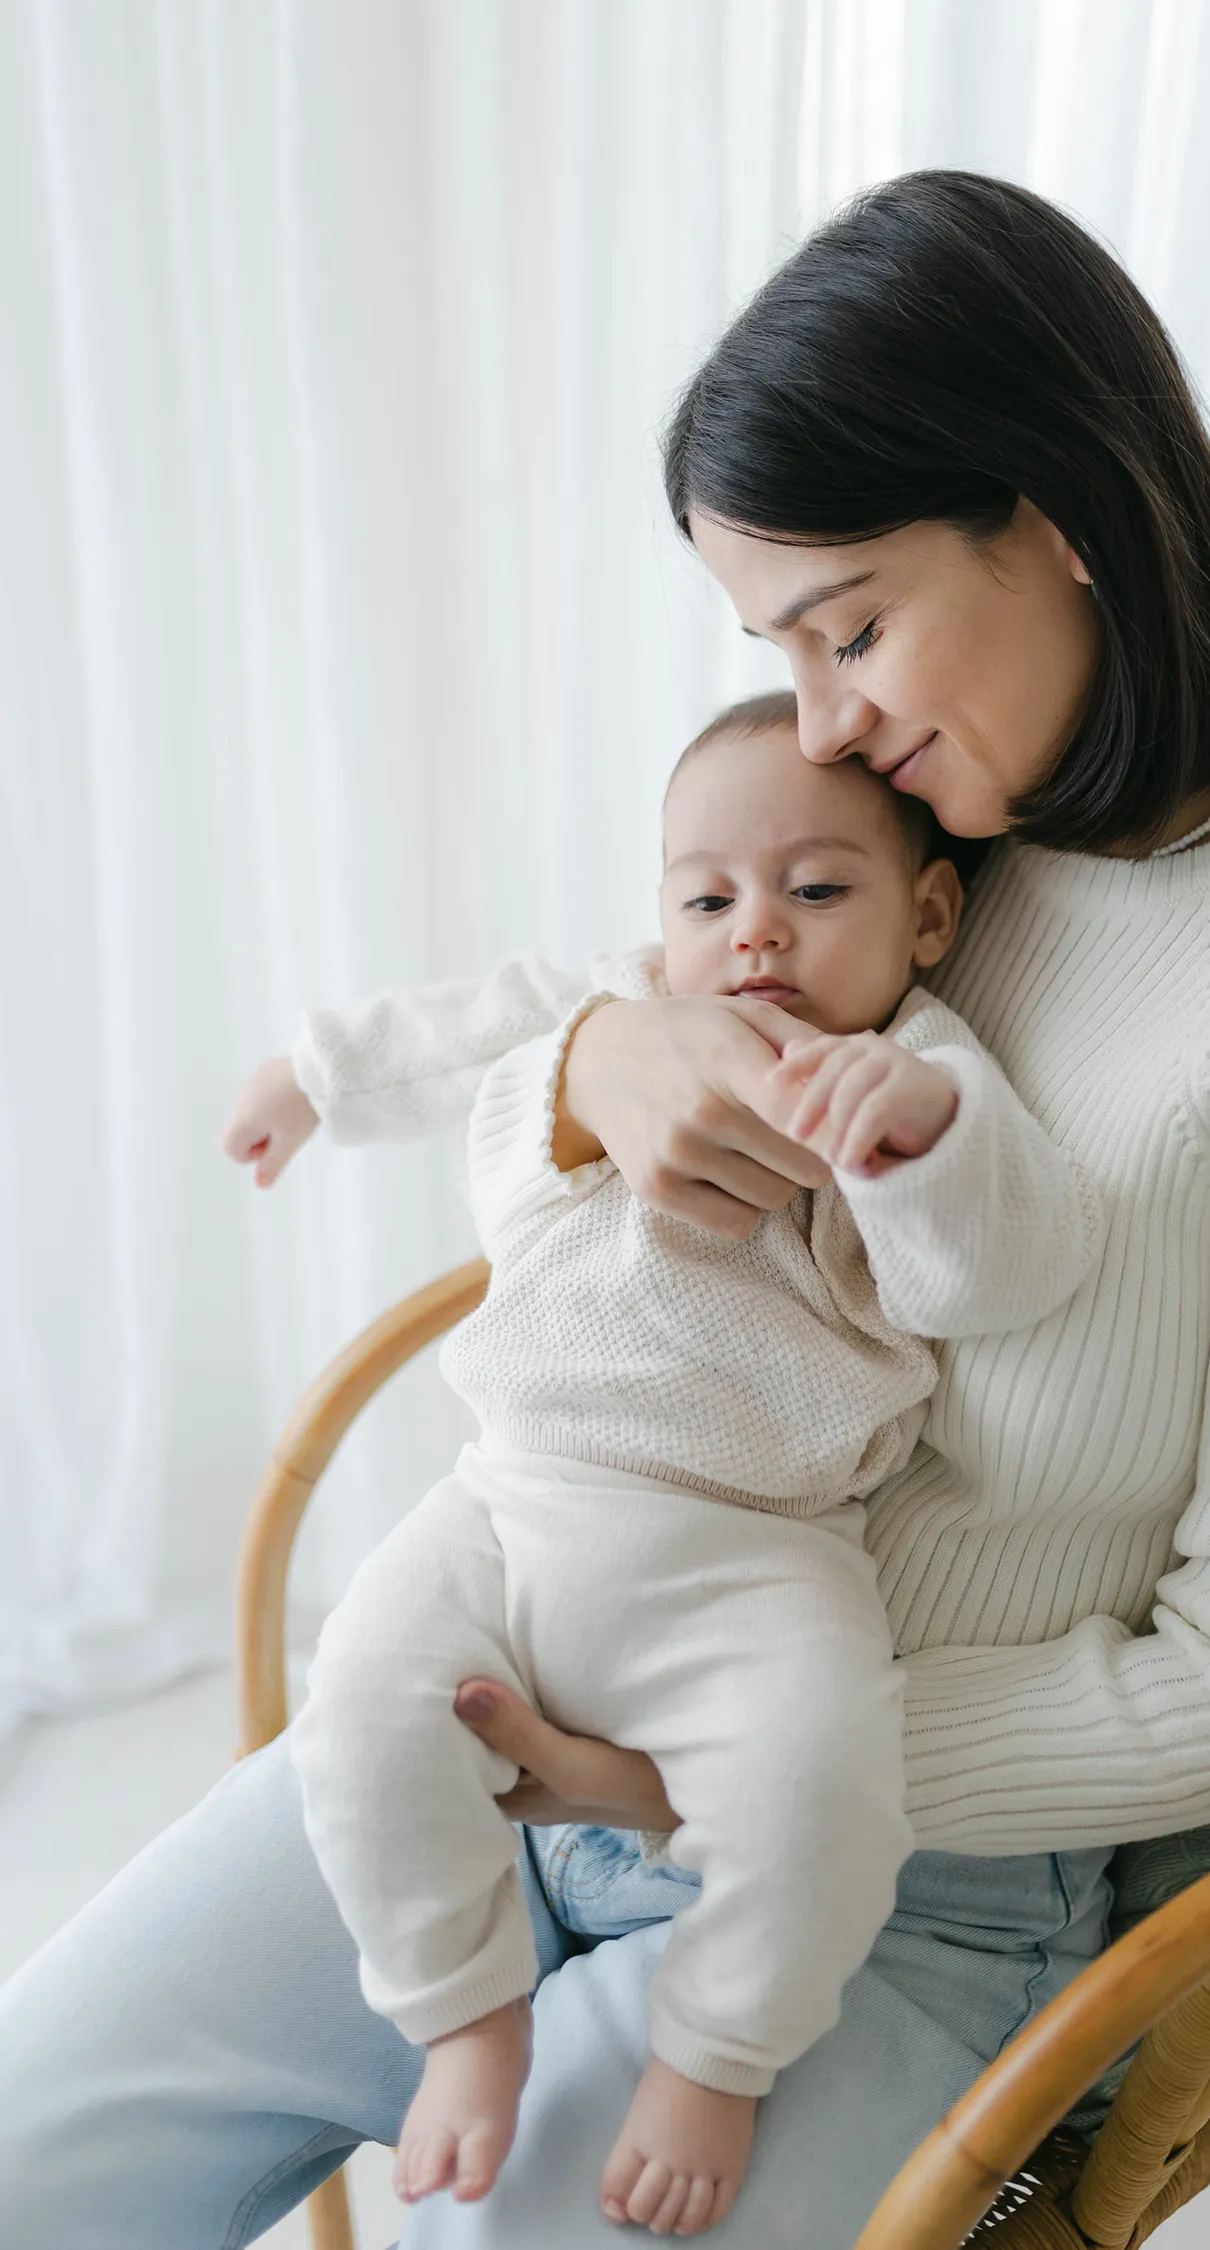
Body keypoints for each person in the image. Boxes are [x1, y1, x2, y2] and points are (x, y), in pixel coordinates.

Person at [1, 170, 1210, 2250]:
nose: (826, 724)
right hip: (526, 1670)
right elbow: (623, 1049)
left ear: (1058, 513)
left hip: (889, 1869)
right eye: (780, 653)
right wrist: (592, 1079)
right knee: (32, 2139)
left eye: (853, 625)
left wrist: (710, 1768)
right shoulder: (954, 808)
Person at [228, 695, 1096, 2235]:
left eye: (817, 891)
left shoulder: (924, 1068)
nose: (754, 934)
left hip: (759, 1548)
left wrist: (924, 1134)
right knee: (359, 1704)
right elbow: (467, 1024)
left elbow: (1002, 1272)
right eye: (710, 897)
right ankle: (461, 2010)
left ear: (931, 911)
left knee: (821, 1788)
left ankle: (718, 2053)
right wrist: (312, 1076)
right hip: (509, 1500)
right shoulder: (624, 1005)